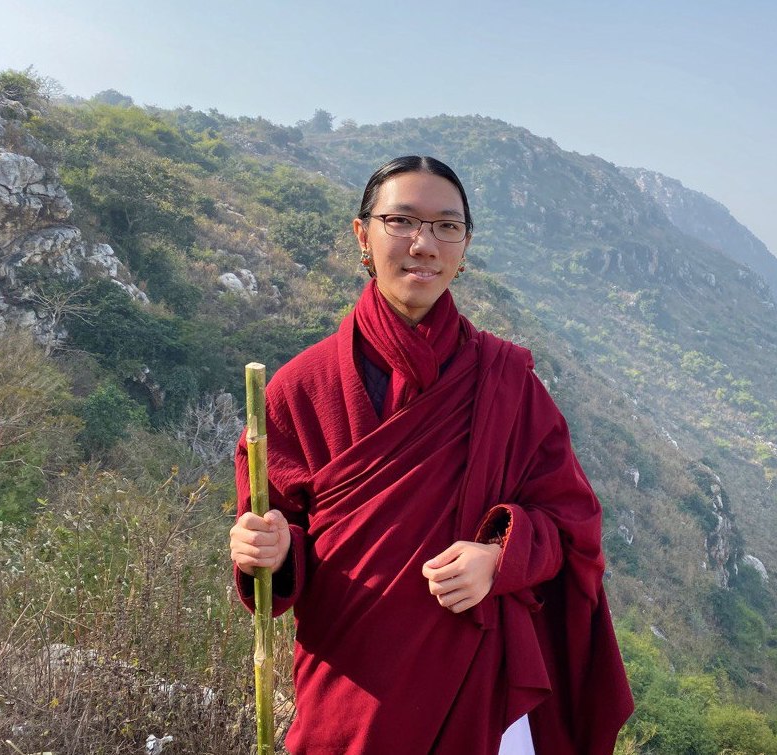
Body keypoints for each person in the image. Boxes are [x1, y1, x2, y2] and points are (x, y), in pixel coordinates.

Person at [228, 156, 633, 754]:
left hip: (481, 689)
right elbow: (275, 542)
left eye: (447, 226)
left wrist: (499, 557)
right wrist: (270, 548)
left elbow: (573, 524)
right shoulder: (297, 391)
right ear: (362, 234)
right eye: (402, 221)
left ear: (464, 248)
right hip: (351, 688)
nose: (424, 244)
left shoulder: (506, 381)